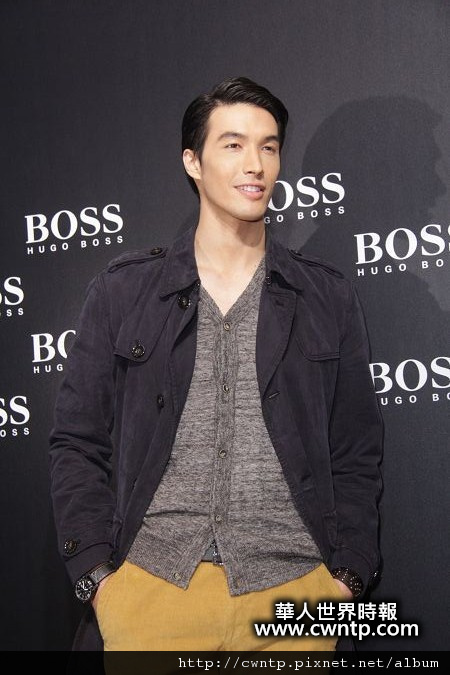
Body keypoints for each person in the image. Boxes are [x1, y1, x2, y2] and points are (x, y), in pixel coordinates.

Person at [49, 76, 383, 655]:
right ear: (193, 162)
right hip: (152, 594)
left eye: (269, 146)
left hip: (295, 598)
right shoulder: (124, 292)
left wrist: (344, 581)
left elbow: (356, 449)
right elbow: (77, 442)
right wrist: (100, 580)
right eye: (233, 144)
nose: (255, 164)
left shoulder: (326, 296)